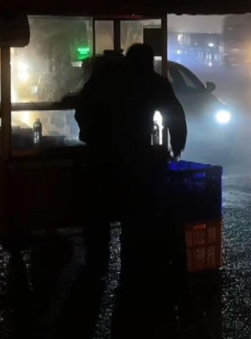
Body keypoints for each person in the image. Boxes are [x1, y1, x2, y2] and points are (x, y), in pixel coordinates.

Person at [74, 44, 187, 285]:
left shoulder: (106, 78)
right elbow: (176, 115)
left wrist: (89, 132)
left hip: (101, 156)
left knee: (99, 214)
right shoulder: (154, 83)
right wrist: (177, 145)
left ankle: (97, 265)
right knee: (133, 215)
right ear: (149, 62)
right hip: (136, 158)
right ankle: (131, 268)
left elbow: (81, 107)